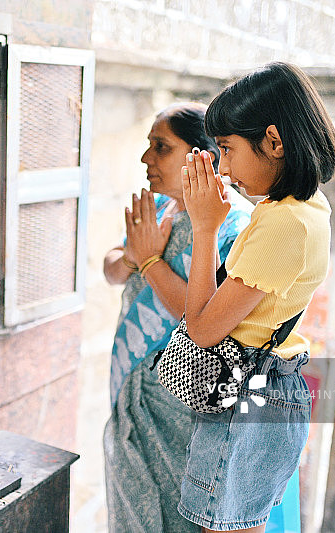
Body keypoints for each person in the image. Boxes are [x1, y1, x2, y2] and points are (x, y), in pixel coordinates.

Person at [179, 62, 335, 532]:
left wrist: (205, 227)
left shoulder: (283, 224)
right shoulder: (303, 207)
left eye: (227, 149)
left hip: (249, 390)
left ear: (274, 141)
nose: (223, 169)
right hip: (268, 387)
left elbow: (204, 331)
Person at [103, 103, 253, 532]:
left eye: (161, 147)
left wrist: (150, 261)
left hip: (182, 405)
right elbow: (112, 268)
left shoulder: (233, 224)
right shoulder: (167, 210)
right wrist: (132, 256)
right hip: (135, 386)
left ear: (201, 156)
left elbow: (205, 319)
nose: (146, 158)